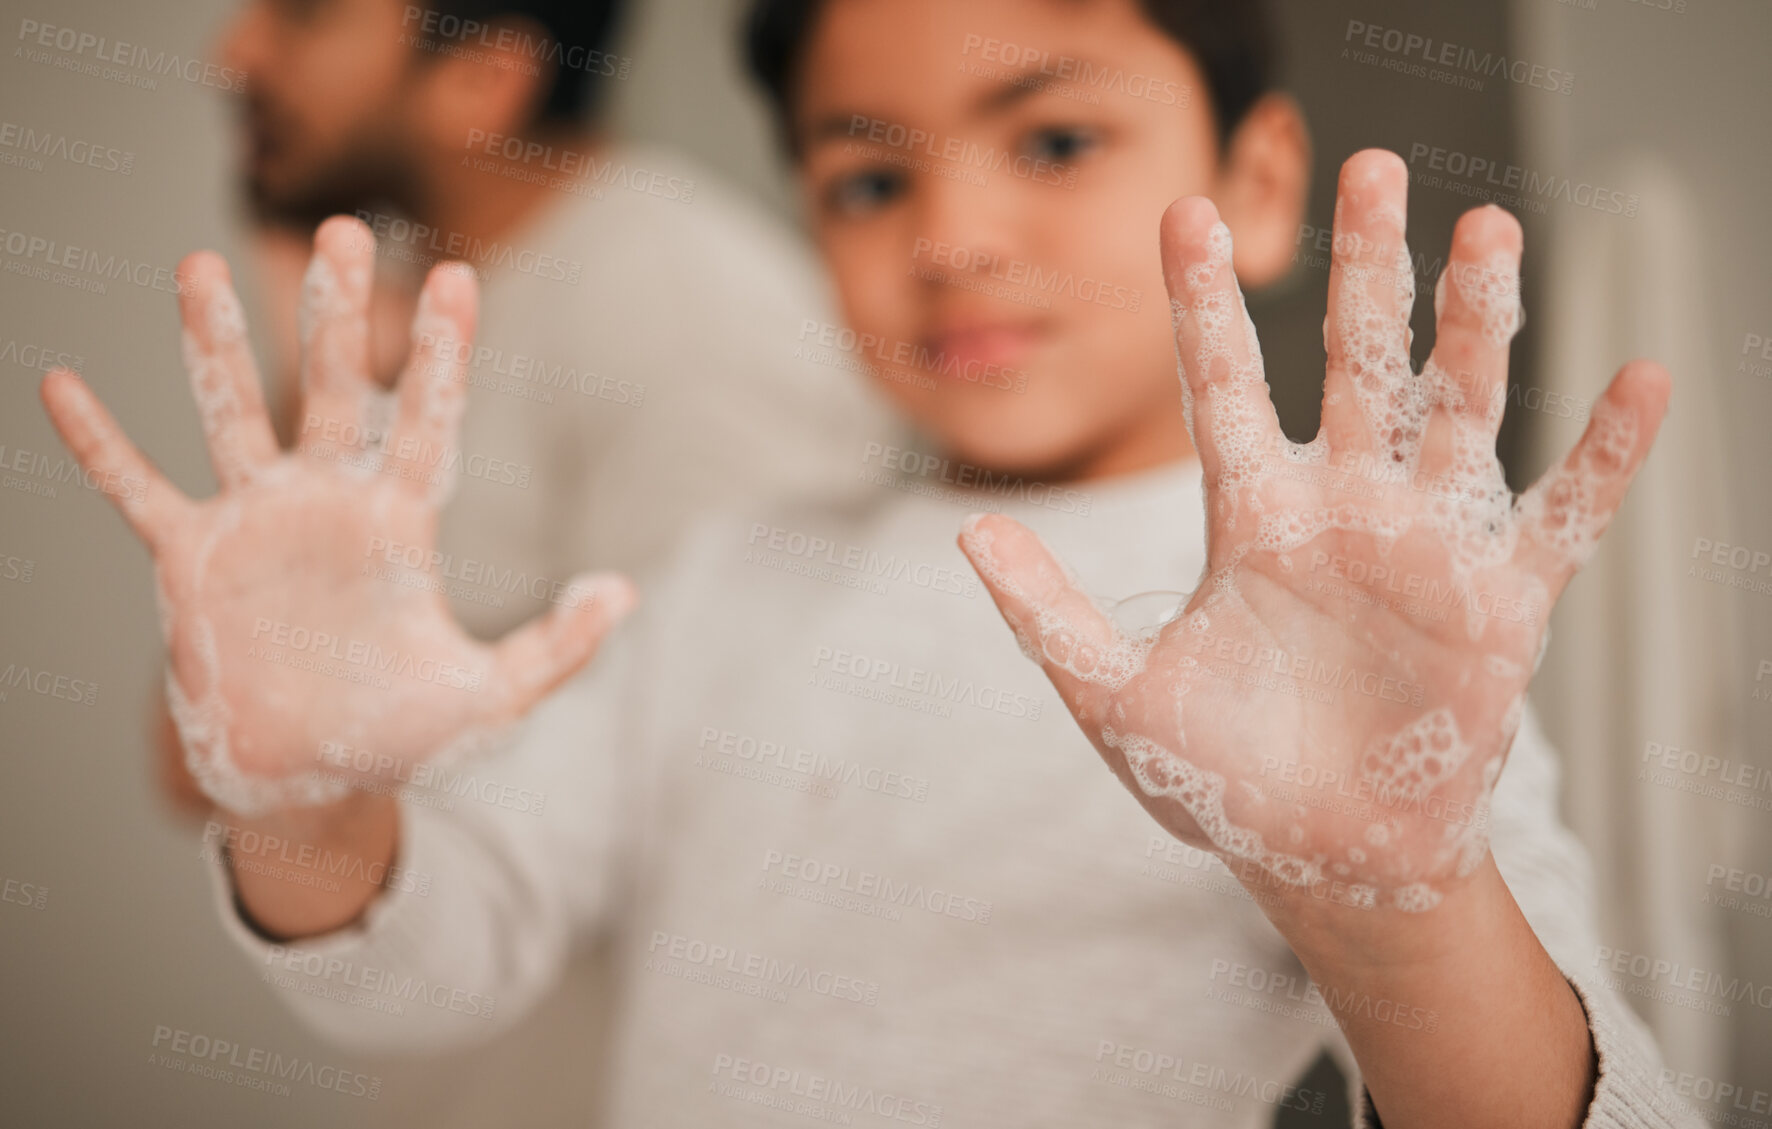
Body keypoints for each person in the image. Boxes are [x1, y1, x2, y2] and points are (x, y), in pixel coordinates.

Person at [41, 0, 1702, 1125]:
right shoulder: (731, 577)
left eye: (1051, 143)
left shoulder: (1346, 647)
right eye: (867, 173)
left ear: (1255, 182)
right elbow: (432, 963)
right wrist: (311, 796)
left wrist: (1391, 904)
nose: (952, 232)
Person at [149, 0, 901, 812]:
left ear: (485, 80)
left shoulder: (690, 319)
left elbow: (722, 782)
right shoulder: (391, 310)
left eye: (305, 16)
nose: (233, 55)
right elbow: (212, 761)